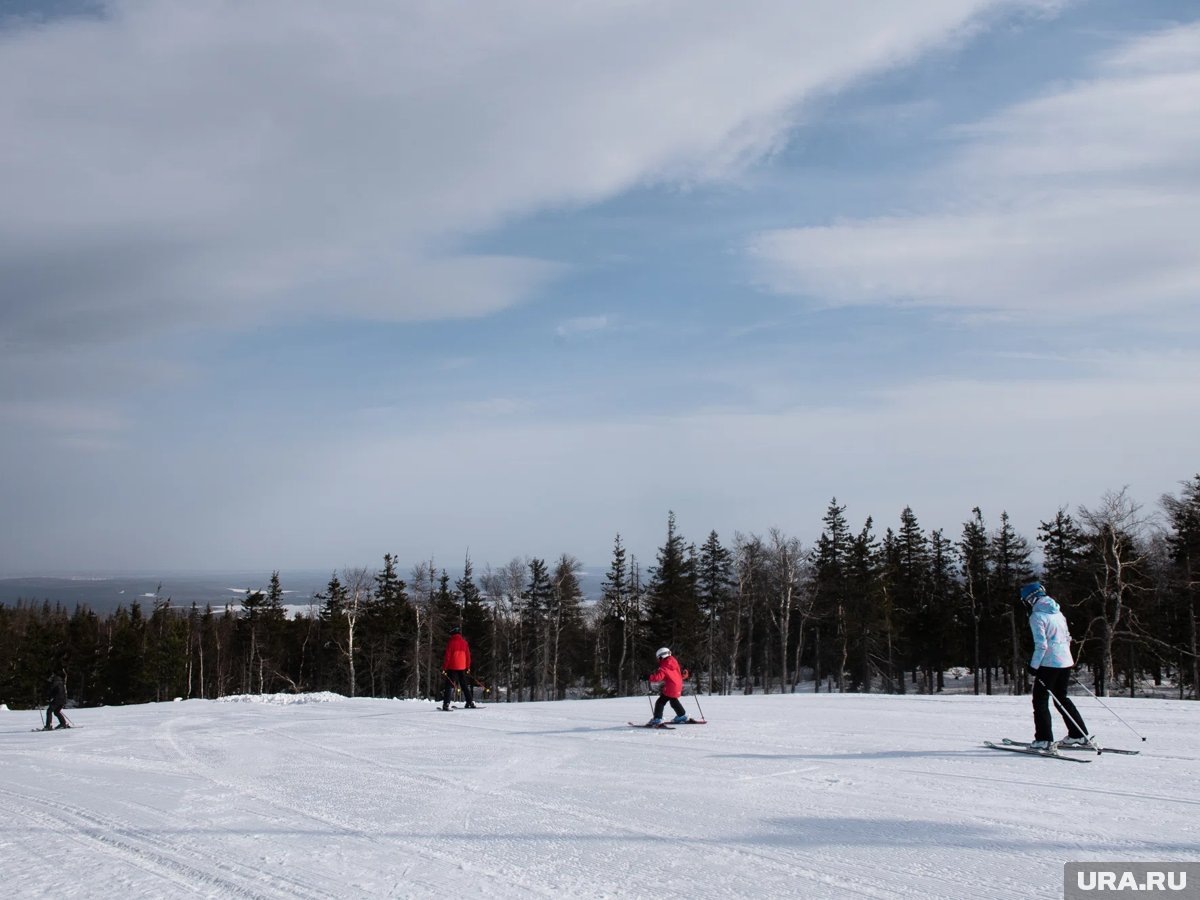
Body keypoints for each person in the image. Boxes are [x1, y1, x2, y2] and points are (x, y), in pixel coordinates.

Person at [1020, 582, 1090, 750]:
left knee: (1040, 700)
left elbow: (1041, 645)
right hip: (1065, 661)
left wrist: (1033, 666)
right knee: (1061, 698)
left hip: (1048, 663)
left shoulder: (1036, 616)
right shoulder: (1058, 613)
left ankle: (1044, 740)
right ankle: (1078, 735)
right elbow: (1067, 637)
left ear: (1030, 599)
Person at [645, 647, 690, 725]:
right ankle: (682, 716)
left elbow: (658, 677)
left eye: (658, 658)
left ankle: (657, 719)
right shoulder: (675, 663)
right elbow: (678, 675)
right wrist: (685, 675)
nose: (658, 660)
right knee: (673, 701)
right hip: (678, 685)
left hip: (671, 687)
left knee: (660, 702)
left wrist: (648, 677)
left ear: (662, 656)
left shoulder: (664, 666)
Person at [441, 626, 476, 710]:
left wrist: (444, 668)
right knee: (464, 684)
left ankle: (446, 704)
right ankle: (470, 701)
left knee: (449, 685)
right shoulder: (464, 642)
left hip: (452, 666)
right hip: (462, 666)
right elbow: (468, 656)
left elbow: (447, 656)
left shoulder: (451, 642)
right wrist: (468, 667)